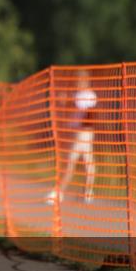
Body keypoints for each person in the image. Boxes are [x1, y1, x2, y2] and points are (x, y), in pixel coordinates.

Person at [47, 70, 98, 205]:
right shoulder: (78, 94)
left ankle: (59, 192)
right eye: (77, 81)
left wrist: (67, 100)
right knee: (86, 163)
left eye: (80, 81)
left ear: (86, 81)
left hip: (83, 133)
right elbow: (72, 112)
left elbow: (85, 112)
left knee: (72, 162)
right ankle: (87, 192)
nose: (78, 83)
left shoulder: (89, 95)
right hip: (76, 132)